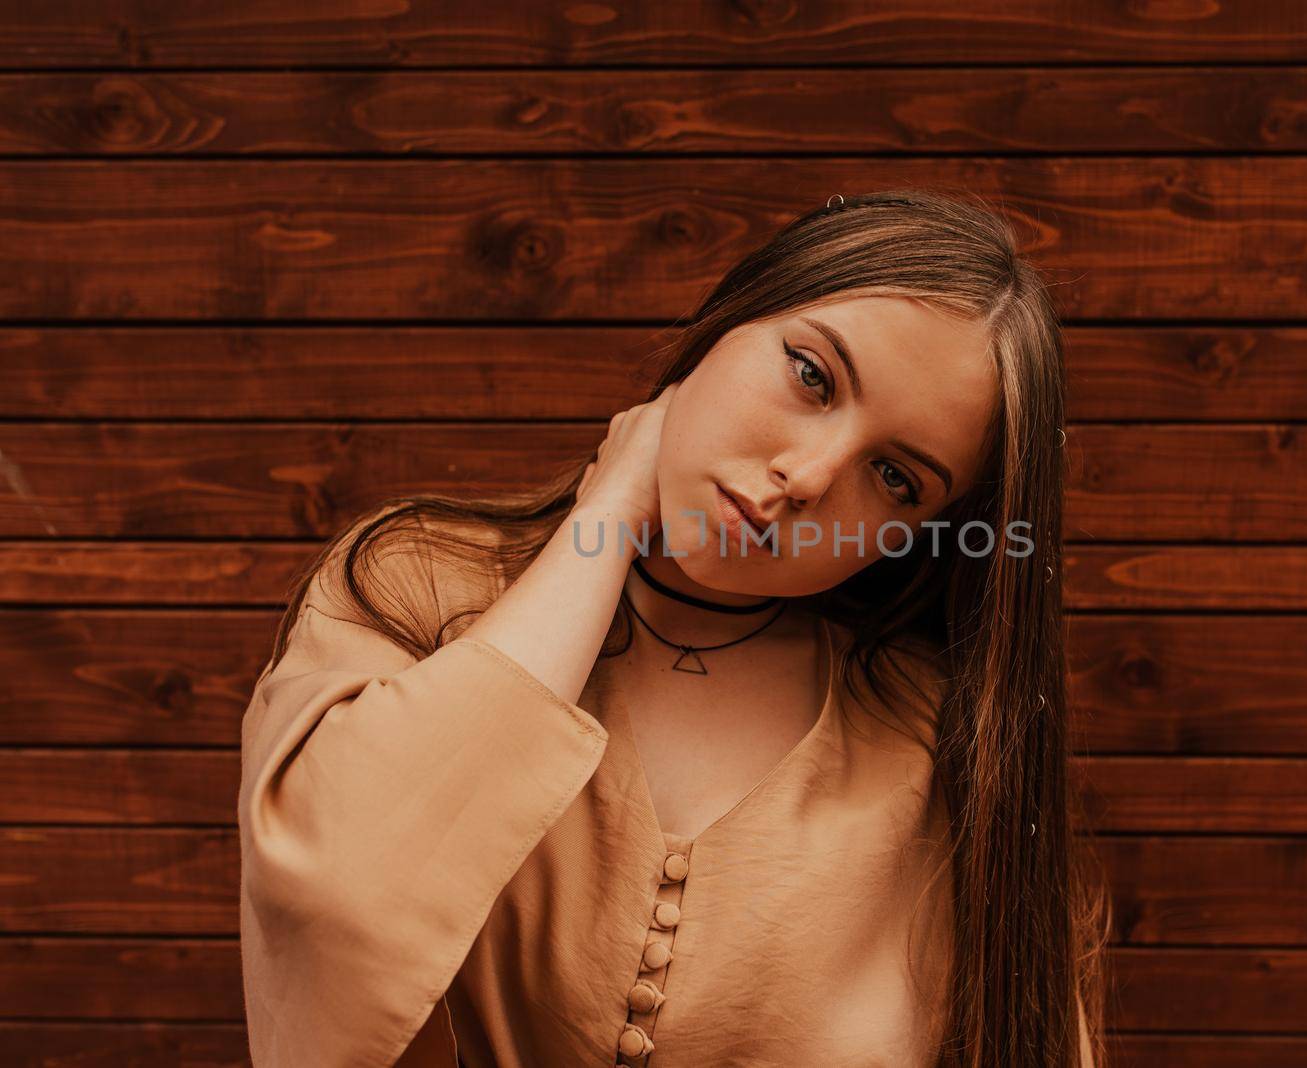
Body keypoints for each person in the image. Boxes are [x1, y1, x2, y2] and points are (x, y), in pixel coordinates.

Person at [238, 188, 1110, 1067]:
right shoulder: (418, 586)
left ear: (919, 535)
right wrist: (607, 512)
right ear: (733, 316)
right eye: (812, 375)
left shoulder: (931, 743)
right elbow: (332, 902)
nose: (807, 477)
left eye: (893, 477)